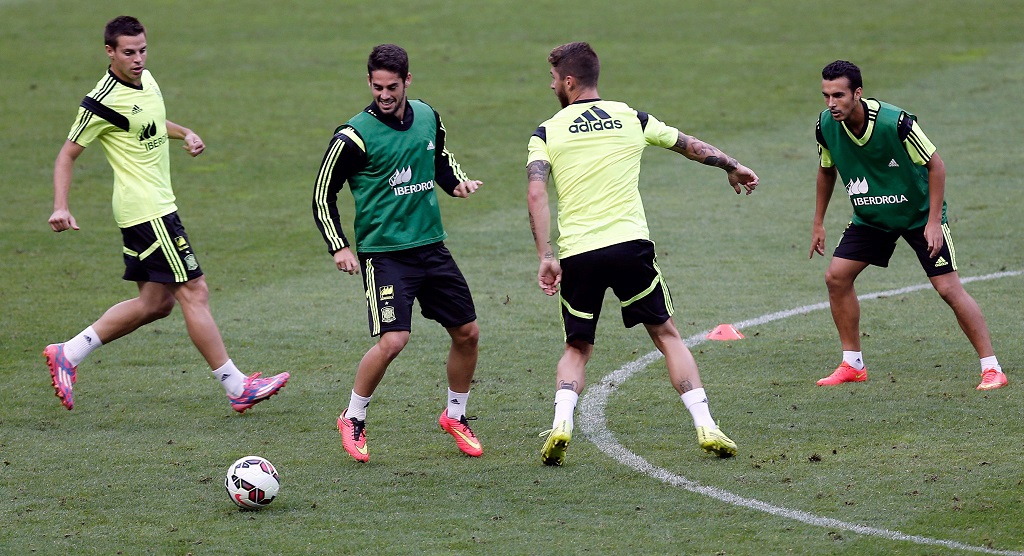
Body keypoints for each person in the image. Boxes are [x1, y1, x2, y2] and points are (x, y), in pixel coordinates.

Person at [526, 42, 759, 466]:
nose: (552, 86)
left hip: (580, 254)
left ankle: (562, 422)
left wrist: (546, 254)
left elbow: (537, 189)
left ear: (570, 82)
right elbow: (688, 145)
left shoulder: (547, 131)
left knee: (577, 347)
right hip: (630, 246)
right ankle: (706, 424)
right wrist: (732, 165)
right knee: (667, 335)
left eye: (555, 80)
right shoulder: (632, 117)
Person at [44, 16, 289, 412]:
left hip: (155, 206)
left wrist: (185, 133)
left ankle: (68, 353)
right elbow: (66, 155)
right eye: (129, 52)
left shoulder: (147, 78)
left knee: (155, 304)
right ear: (110, 52)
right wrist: (61, 206)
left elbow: (152, 123)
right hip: (147, 210)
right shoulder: (101, 101)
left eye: (142, 50)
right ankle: (236, 386)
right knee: (195, 291)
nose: (138, 58)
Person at [312, 44, 484, 463]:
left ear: (407, 81)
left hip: (431, 246)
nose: (384, 95)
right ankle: (353, 417)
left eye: (392, 86)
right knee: (394, 340)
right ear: (369, 82)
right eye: (377, 87)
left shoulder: (426, 115)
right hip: (386, 255)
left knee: (468, 334)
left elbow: (439, 156)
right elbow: (322, 194)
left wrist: (456, 183)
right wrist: (339, 247)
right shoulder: (353, 136)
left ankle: (455, 416)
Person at [810, 60, 1006, 390]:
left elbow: (937, 167)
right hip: (872, 216)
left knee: (948, 288)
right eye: (826, 96)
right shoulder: (825, 126)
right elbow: (826, 171)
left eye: (839, 95)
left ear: (857, 93)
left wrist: (932, 222)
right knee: (836, 277)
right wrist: (818, 223)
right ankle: (852, 363)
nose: (831, 104)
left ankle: (992, 368)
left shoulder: (895, 122)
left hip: (918, 215)